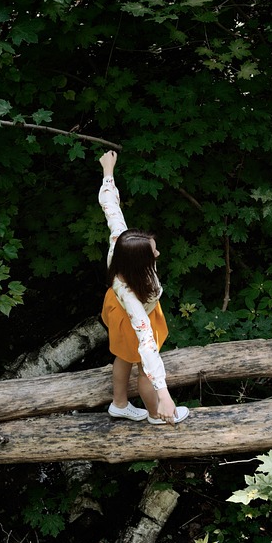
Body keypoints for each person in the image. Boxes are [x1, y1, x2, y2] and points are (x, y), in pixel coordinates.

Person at [98, 150, 189, 425]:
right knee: (140, 364)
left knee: (122, 356)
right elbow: (147, 346)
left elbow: (111, 208)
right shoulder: (134, 298)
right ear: (139, 264)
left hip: (115, 310)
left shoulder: (120, 244)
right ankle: (156, 414)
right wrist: (164, 394)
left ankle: (119, 404)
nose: (158, 254)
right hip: (134, 318)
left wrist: (108, 174)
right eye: (153, 253)